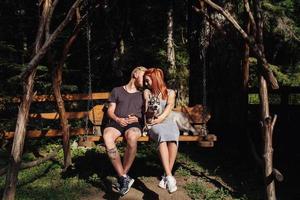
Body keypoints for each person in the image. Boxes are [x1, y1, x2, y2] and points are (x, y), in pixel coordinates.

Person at [103, 66, 147, 196]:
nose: (145, 81)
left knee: (132, 137)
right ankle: (123, 177)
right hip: (117, 122)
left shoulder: (143, 94)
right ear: (135, 74)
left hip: (134, 124)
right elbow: (110, 111)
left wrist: (138, 117)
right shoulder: (117, 90)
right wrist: (118, 119)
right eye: (143, 77)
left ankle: (123, 176)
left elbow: (147, 113)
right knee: (107, 137)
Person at [143, 68, 179, 193]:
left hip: (166, 121)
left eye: (147, 81)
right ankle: (169, 176)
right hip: (154, 124)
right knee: (162, 136)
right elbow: (147, 112)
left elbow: (168, 110)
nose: (145, 84)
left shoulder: (170, 93)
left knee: (174, 136)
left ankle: (166, 176)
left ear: (155, 79)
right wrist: (149, 105)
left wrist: (159, 119)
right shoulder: (147, 92)